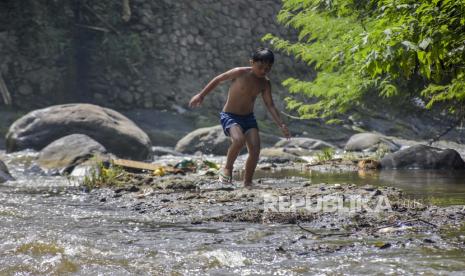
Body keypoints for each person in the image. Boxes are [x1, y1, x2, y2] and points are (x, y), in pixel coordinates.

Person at [188, 48, 290, 187]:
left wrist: (281, 124)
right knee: (238, 140)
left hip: (248, 118)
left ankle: (247, 182)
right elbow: (219, 79)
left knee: (255, 149)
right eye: (260, 67)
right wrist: (201, 95)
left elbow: (270, 105)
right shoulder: (240, 72)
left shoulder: (265, 83)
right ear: (252, 62)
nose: (263, 71)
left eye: (268, 69)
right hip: (230, 116)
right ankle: (228, 167)